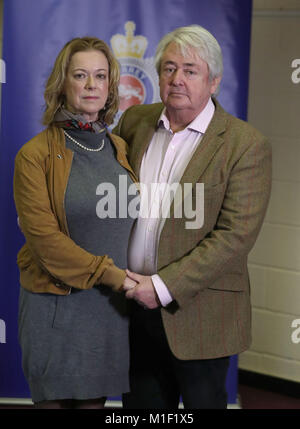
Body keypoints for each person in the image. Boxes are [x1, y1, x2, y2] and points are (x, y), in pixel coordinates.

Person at [113, 25, 272, 409]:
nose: (176, 79)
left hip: (201, 316)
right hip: (130, 309)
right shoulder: (135, 121)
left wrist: (163, 287)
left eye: (190, 70)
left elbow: (234, 237)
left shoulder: (245, 145)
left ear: (214, 81)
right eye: (168, 69)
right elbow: (111, 201)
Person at [13, 37, 138, 409]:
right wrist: (112, 274)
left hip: (107, 311)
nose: (90, 85)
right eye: (80, 75)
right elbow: (44, 240)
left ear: (111, 86)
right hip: (55, 307)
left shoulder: (120, 148)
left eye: (100, 76)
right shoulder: (34, 155)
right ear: (62, 83)